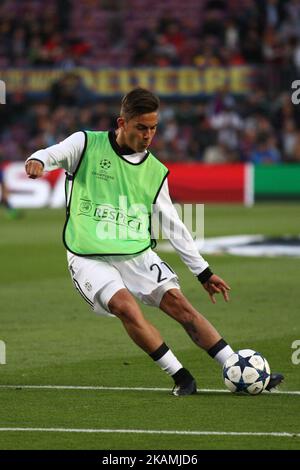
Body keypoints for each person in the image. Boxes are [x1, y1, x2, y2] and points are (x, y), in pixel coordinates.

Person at [25, 88, 283, 396]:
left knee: (180, 306)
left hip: (135, 251)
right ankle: (181, 375)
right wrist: (37, 160)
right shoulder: (85, 143)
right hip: (87, 254)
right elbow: (50, 154)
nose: (149, 135)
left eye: (154, 128)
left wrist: (203, 272)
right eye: (142, 127)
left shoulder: (155, 171)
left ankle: (237, 366)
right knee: (126, 307)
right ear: (123, 122)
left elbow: (174, 226)